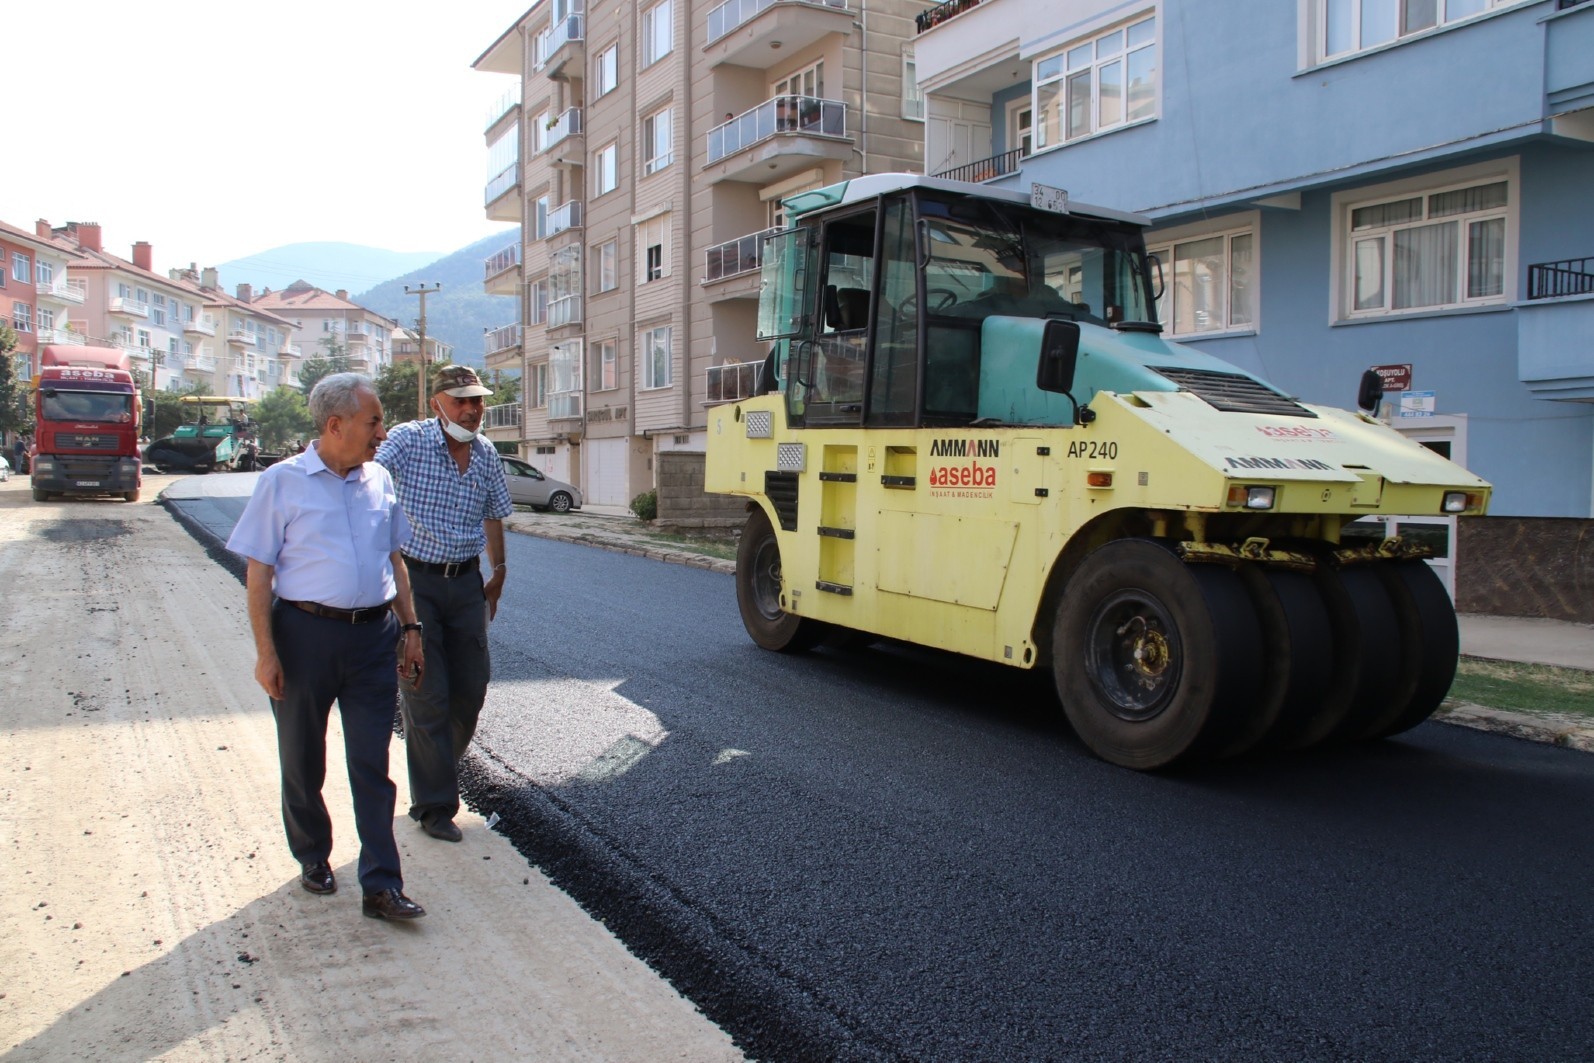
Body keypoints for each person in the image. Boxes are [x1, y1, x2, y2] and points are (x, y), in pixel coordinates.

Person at [226, 373, 429, 922]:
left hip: (372, 639)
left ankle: (381, 884)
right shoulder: (281, 482)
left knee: (372, 762)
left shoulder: (380, 480)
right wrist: (267, 653)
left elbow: (395, 560)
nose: (382, 433)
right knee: (303, 756)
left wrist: (410, 629)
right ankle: (313, 853)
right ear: (336, 425)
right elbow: (259, 573)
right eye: (373, 421)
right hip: (304, 637)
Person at [376, 364, 511, 844]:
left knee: (471, 689)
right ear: (438, 403)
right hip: (417, 584)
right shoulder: (409, 441)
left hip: (466, 585)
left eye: (478, 401)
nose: (473, 410)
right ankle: (435, 804)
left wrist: (499, 571)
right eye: (462, 401)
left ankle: (434, 768)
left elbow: (495, 513)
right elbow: (372, 472)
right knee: (426, 693)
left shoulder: (487, 454)